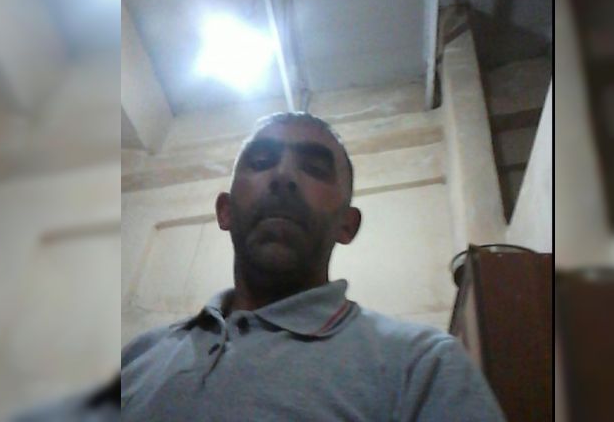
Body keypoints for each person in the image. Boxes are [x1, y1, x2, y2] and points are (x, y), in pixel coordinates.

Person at [121, 112, 505, 421]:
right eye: (261, 162)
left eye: (315, 168)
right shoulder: (139, 356)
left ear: (347, 225)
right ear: (225, 211)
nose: (283, 176)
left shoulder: (422, 364)